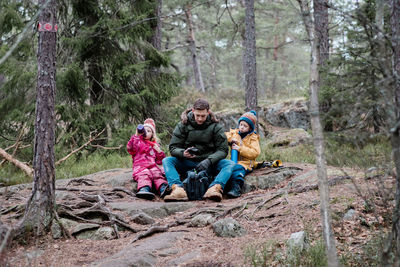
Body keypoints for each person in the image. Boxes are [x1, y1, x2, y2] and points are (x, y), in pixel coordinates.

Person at [162, 98, 235, 202]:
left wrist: (209, 160)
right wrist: (183, 153)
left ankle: (214, 189)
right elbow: (173, 148)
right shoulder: (183, 124)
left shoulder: (216, 126)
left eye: (203, 116)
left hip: (209, 164)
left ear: (208, 112)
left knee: (229, 164)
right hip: (187, 162)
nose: (200, 119)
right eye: (197, 115)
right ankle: (178, 190)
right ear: (192, 111)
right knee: (167, 161)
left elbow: (223, 150)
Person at [127, 118, 168, 200]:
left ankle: (163, 189)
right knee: (144, 174)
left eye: (148, 131)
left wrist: (159, 151)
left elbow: (160, 161)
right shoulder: (137, 142)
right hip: (140, 166)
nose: (145, 133)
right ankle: (144, 189)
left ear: (152, 134)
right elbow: (130, 148)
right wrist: (136, 135)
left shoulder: (154, 145)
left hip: (152, 166)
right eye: (144, 130)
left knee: (157, 174)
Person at [225, 110, 261, 198]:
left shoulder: (253, 137)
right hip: (234, 160)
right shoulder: (235, 132)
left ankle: (236, 188)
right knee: (226, 168)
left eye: (245, 126)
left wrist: (240, 149)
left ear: (250, 128)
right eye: (241, 125)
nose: (242, 127)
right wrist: (230, 140)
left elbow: (255, 152)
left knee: (237, 170)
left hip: (246, 163)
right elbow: (224, 136)